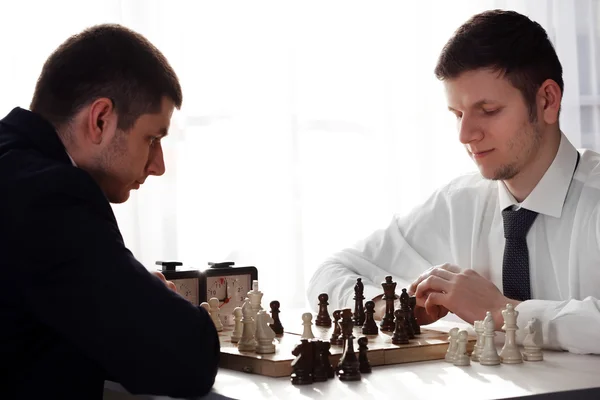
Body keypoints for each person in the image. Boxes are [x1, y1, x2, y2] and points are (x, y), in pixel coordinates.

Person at [308, 9, 600, 355]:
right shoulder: (457, 203)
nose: (465, 135)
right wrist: (389, 307)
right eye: (457, 115)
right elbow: (329, 272)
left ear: (547, 101)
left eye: (488, 110)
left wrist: (504, 313)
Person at [0, 24, 219, 399]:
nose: (158, 165)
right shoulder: (51, 197)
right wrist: (150, 294)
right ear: (100, 119)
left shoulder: (13, 165)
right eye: (152, 139)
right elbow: (186, 358)